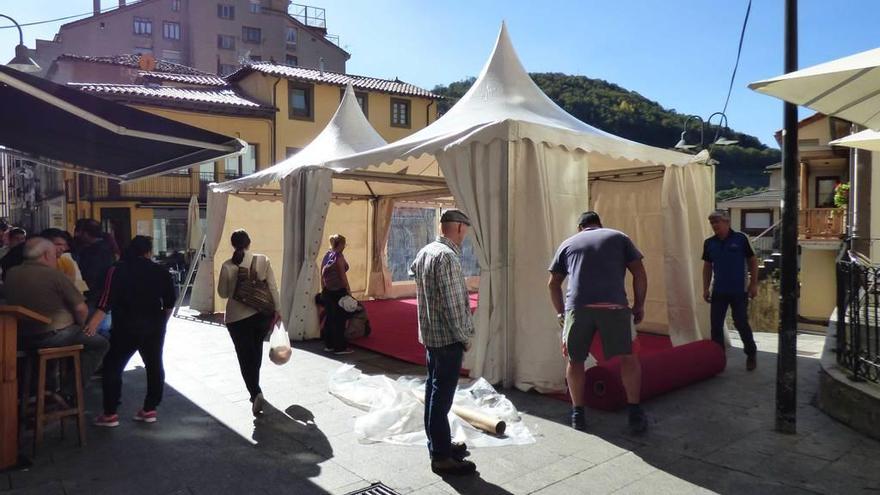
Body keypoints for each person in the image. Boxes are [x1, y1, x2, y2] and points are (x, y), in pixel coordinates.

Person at [548, 211, 649, 434]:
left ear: (580, 228)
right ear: (600, 225)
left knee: (575, 361)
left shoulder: (568, 243)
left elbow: (553, 283)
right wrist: (639, 305)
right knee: (628, 358)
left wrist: (560, 313)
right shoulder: (619, 237)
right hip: (613, 305)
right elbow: (639, 273)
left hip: (578, 307)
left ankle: (578, 413)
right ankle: (634, 411)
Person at [409, 209, 477, 476]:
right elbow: (451, 304)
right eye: (466, 229)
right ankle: (441, 456)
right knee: (441, 397)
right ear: (459, 227)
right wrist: (464, 336)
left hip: (431, 335)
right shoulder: (447, 256)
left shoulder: (427, 251)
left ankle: (438, 443)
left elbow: (415, 274)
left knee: (433, 391)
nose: (466, 234)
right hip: (447, 338)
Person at [6, 238, 109, 402]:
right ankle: (67, 392)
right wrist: (81, 326)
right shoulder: (55, 276)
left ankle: (41, 390)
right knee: (100, 344)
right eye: (55, 254)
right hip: (52, 336)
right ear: (46, 255)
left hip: (19, 338)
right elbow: (80, 309)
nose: (57, 258)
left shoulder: (11, 274)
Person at [88, 236, 176, 427]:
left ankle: (110, 413)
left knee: (113, 366)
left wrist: (90, 327)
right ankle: (150, 409)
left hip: (126, 325)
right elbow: (169, 303)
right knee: (154, 365)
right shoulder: (160, 271)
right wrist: (162, 323)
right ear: (148, 252)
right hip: (154, 324)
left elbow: (105, 302)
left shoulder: (117, 270)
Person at [217, 229, 280, 417]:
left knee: (245, 356)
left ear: (232, 244)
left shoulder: (228, 265)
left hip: (237, 318)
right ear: (249, 242)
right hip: (262, 314)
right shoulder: (263, 260)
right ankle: (256, 388)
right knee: (256, 350)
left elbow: (223, 293)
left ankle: (255, 392)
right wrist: (278, 310)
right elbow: (273, 287)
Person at [702, 209, 759, 370]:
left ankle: (751, 353)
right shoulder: (709, 242)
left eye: (717, 222)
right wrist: (705, 288)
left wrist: (753, 284)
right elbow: (707, 266)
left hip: (739, 291)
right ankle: (718, 360)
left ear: (726, 222)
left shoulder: (741, 239)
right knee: (716, 326)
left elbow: (753, 261)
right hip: (719, 290)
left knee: (741, 322)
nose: (714, 225)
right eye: (712, 223)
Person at [320, 234, 353, 355]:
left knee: (329, 318)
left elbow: (321, 273)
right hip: (338, 290)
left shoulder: (327, 255)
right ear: (341, 244)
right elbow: (342, 275)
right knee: (339, 319)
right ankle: (340, 347)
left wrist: (323, 288)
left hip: (328, 290)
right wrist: (348, 289)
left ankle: (329, 344)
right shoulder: (338, 257)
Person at [41, 228, 88, 293]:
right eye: (58, 244)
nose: (63, 248)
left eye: (64, 245)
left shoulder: (66, 261)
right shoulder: (32, 264)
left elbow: (80, 289)